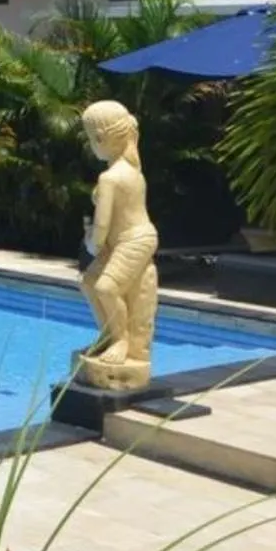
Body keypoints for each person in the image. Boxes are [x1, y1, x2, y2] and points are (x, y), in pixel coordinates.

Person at [77, 99, 159, 386]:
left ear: (100, 139)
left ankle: (122, 341)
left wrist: (92, 245)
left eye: (91, 139)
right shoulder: (132, 169)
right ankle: (109, 334)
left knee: (105, 287)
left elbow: (101, 225)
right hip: (124, 239)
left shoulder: (110, 177)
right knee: (87, 282)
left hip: (134, 240)